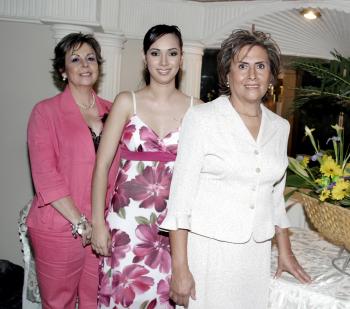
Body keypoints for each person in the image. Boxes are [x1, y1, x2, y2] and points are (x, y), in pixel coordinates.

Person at [159, 29, 312, 308]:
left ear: (271, 75)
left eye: (260, 66)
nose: (252, 75)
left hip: (256, 253)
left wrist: (285, 251)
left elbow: (275, 198)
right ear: (227, 76)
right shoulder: (202, 118)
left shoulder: (280, 127)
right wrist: (180, 268)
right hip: (210, 252)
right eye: (242, 66)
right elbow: (180, 198)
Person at [91, 24, 202, 308]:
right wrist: (97, 223)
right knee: (125, 294)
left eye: (172, 53)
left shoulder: (199, 110)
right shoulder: (127, 102)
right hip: (126, 224)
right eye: (156, 53)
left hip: (175, 229)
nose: (164, 62)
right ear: (145, 58)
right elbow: (101, 165)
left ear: (181, 59)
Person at [26, 32, 118, 309]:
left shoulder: (114, 111)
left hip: (101, 227)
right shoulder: (45, 112)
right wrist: (80, 222)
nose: (85, 65)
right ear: (62, 71)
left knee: (96, 301)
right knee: (59, 304)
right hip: (59, 226)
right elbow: (46, 177)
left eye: (91, 58)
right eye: (75, 59)